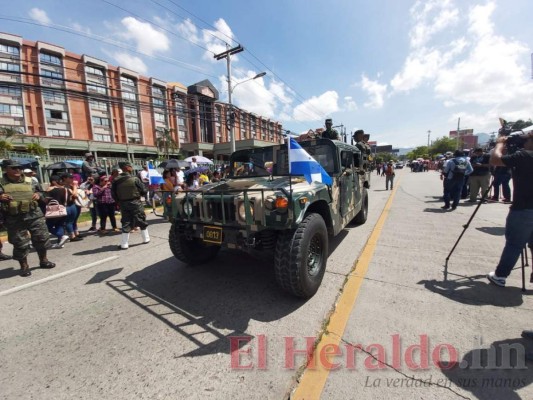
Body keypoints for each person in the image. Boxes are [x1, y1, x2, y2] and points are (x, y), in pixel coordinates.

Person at [486, 132, 533, 287]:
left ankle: (500, 275)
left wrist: (499, 143)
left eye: (525, 138)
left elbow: (495, 159)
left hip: (524, 209)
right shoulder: (523, 155)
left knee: (514, 244)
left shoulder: (524, 156)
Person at [0, 159, 55, 277]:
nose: (17, 170)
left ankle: (44, 261)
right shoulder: (1, 183)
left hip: (34, 215)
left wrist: (39, 195)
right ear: (5, 169)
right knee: (20, 243)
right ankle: (24, 266)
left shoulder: (31, 181)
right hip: (14, 218)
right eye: (13, 168)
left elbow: (43, 194)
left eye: (19, 167)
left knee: (41, 238)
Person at [111, 161, 150, 250]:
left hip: (123, 203)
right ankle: (146, 239)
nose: (131, 167)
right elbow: (144, 191)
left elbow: (113, 194)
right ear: (126, 167)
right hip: (135, 202)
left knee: (126, 221)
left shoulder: (116, 180)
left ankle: (124, 244)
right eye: (130, 166)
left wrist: (119, 201)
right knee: (141, 219)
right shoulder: (134, 179)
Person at [45, 175, 70, 248]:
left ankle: (61, 236)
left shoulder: (50, 190)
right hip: (62, 210)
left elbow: (46, 200)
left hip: (53, 211)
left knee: (47, 227)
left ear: (52, 182)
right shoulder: (64, 189)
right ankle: (60, 242)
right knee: (59, 225)